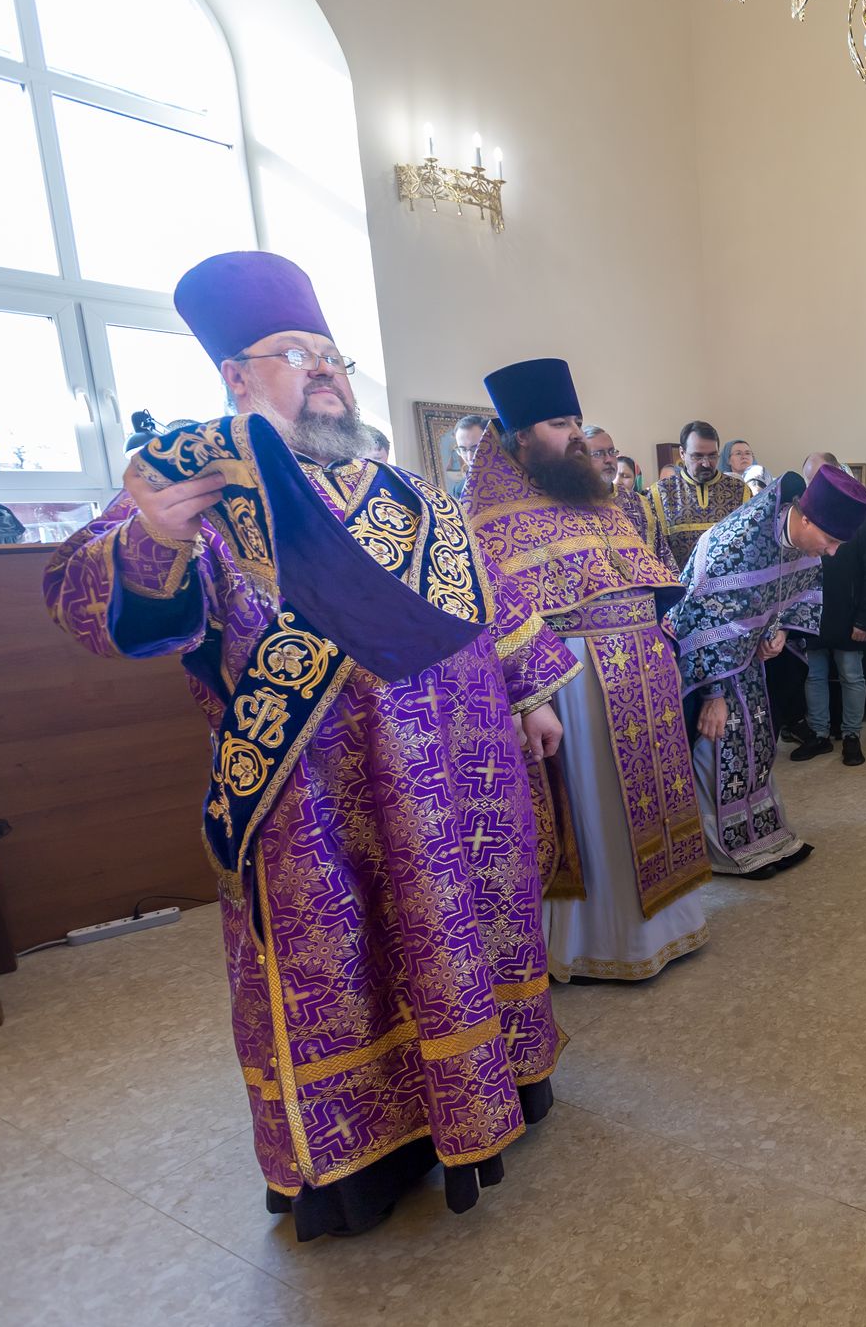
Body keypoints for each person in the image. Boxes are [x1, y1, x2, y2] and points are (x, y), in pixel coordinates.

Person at [43, 251, 579, 1238]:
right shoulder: (200, 492)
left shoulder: (411, 493)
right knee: (342, 969)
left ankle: (494, 1094)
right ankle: (362, 1163)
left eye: (331, 353)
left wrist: (529, 688)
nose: (325, 368)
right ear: (236, 377)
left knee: (469, 930)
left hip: (459, 784)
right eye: (294, 353)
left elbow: (487, 595)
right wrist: (151, 535)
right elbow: (90, 604)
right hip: (317, 807)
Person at [466, 359, 712, 983]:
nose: (576, 434)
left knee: (651, 800)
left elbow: (649, 580)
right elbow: (495, 619)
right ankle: (600, 940)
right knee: (597, 806)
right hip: (573, 682)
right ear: (522, 436)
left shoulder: (598, 502)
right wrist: (531, 696)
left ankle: (666, 925)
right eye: (559, 423)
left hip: (641, 672)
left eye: (576, 420)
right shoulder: (489, 520)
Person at [668, 465, 866, 877]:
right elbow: (702, 620)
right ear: (806, 519)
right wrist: (713, 696)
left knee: (757, 745)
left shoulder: (803, 543)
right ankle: (720, 849)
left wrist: (778, 631)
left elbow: (792, 594)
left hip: (750, 662)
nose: (832, 552)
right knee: (720, 748)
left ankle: (761, 835)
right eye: (831, 540)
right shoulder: (736, 544)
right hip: (707, 669)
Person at [790, 451, 866, 766]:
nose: (812, 486)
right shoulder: (799, 515)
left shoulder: (861, 515)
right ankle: (819, 734)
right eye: (809, 480)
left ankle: (851, 736)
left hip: (850, 615)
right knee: (814, 676)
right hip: (811, 615)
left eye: (818, 478)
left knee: (851, 675)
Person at [652, 420, 749, 569]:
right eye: (697, 456)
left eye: (712, 456)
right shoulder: (660, 493)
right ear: (682, 453)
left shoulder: (739, 491)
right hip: (678, 582)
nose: (706, 463)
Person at [449, 413, 490, 495]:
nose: (470, 457)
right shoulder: (459, 490)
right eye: (463, 450)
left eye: (475, 448)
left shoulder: (514, 471)